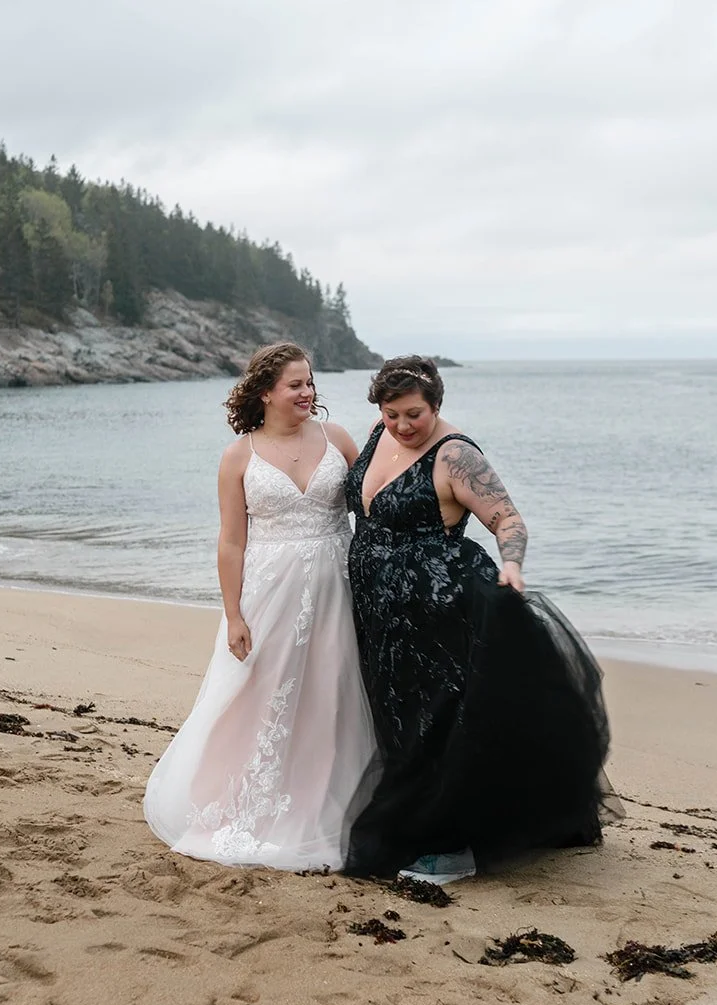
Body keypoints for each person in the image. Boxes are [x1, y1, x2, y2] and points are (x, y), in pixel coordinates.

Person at [343, 355, 617, 884]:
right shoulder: (381, 433)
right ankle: (419, 828)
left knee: (437, 725)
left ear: (437, 405)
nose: (402, 424)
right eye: (391, 412)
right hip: (381, 612)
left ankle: (451, 848)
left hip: (439, 611)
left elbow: (507, 518)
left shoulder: (456, 455)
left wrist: (512, 563)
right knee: (396, 721)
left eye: (414, 414)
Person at [144, 341, 375, 871]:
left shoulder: (337, 438)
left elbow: (373, 502)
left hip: (340, 586)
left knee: (333, 693)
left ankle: (334, 802)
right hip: (269, 594)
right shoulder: (239, 456)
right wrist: (233, 614)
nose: (307, 392)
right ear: (266, 392)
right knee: (257, 695)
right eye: (295, 384)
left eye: (310, 383)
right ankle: (240, 802)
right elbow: (231, 542)